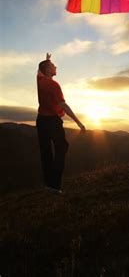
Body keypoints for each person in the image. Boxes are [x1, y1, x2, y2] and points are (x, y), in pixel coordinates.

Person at [36, 53, 85, 193]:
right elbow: (64, 106)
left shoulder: (39, 79)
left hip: (41, 120)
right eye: (53, 66)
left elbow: (39, 68)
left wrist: (47, 60)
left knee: (45, 152)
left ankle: (48, 183)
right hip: (52, 121)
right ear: (47, 70)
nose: (55, 66)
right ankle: (54, 184)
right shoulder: (53, 85)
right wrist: (78, 122)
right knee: (62, 148)